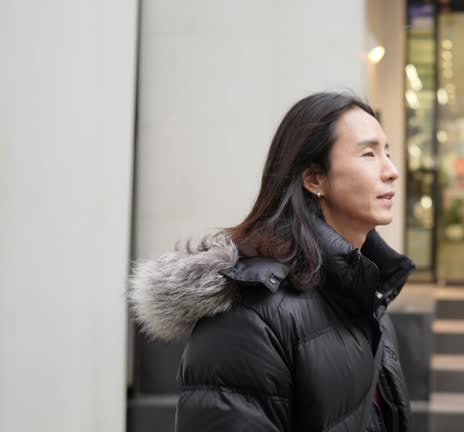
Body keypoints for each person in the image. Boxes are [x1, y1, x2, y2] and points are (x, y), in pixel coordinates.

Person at [129, 92, 414, 431]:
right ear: (314, 179)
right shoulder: (250, 314)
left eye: (388, 153)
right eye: (369, 154)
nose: (392, 171)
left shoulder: (367, 293)